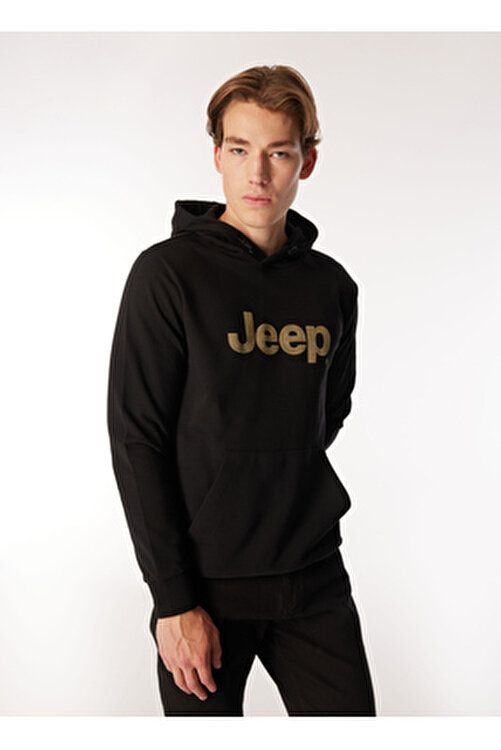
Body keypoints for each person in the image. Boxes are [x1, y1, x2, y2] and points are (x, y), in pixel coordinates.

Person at [106, 64, 377, 716]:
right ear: (217, 156)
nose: (257, 174)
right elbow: (137, 440)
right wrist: (173, 600)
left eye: (278, 153)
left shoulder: (331, 287)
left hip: (312, 576)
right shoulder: (166, 276)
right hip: (204, 588)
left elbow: (327, 411)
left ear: (307, 161)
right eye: (239, 150)